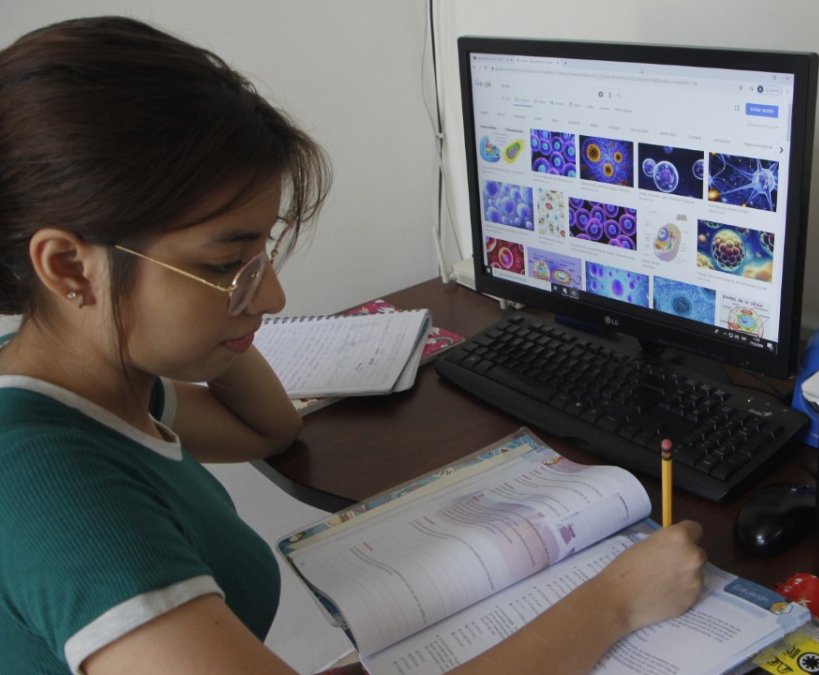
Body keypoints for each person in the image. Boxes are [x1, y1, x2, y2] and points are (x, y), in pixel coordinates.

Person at [0, 16, 706, 675]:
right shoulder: (46, 485)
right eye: (224, 262)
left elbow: (265, 428)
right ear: (68, 268)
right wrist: (616, 601)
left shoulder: (96, 375)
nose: (274, 296)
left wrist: (228, 304)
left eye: (263, 254)